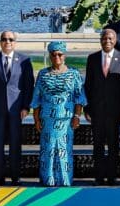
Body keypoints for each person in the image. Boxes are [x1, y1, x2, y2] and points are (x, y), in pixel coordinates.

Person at [0, 30, 34, 186]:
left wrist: (26, 106)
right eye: (4, 39)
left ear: (15, 42)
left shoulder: (24, 61)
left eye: (10, 39)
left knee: (15, 143)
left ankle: (15, 176)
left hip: (17, 110)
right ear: (0, 42)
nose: (7, 42)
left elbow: (28, 86)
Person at [30, 41, 86, 187]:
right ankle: (48, 180)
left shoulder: (73, 73)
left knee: (64, 150)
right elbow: (37, 97)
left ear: (64, 55)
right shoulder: (43, 74)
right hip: (48, 119)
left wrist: (77, 116)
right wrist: (36, 119)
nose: (57, 57)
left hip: (66, 120)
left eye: (60, 54)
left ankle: (64, 180)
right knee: (48, 150)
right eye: (53, 54)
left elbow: (79, 97)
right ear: (49, 56)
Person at [84, 28, 120, 185]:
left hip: (115, 112)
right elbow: (88, 85)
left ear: (115, 40)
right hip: (97, 111)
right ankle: (98, 177)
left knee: (113, 145)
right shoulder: (92, 58)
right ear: (100, 40)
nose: (107, 41)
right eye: (104, 38)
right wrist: (87, 108)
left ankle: (112, 177)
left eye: (110, 38)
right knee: (97, 145)